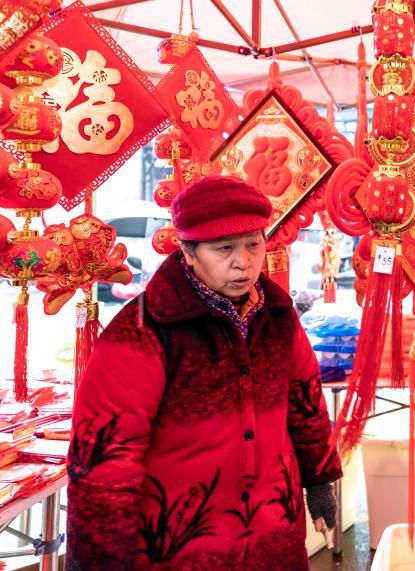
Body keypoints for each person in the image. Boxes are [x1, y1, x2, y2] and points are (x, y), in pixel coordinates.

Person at [66, 176, 342, 570]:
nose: (242, 262)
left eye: (253, 244)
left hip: (271, 534)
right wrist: (103, 559)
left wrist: (319, 479)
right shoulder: (144, 329)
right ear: (188, 252)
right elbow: (104, 456)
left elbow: (305, 402)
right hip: (180, 545)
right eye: (224, 249)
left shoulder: (278, 316)